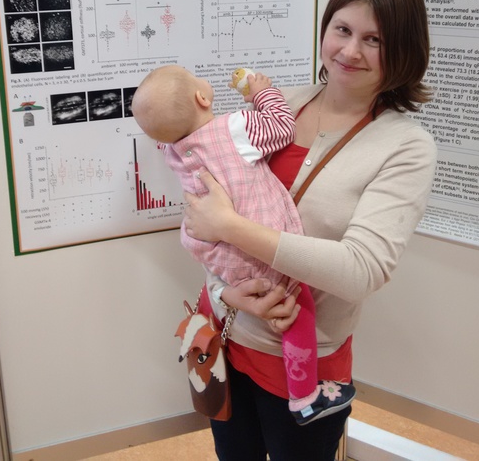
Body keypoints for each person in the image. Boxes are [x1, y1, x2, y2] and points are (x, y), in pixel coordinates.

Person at [182, 0, 438, 461]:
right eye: (342, 29)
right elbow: (204, 207)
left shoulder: (406, 147)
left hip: (304, 370)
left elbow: (361, 271)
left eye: (374, 40)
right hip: (227, 336)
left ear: (404, 51)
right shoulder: (282, 106)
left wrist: (232, 227)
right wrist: (222, 291)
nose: (350, 51)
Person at [132, 65, 355, 424]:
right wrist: (261, 93)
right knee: (298, 309)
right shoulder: (235, 128)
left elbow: (164, 132)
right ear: (202, 97)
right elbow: (282, 127)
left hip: (223, 258)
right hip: (260, 246)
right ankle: (304, 397)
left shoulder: (173, 150)